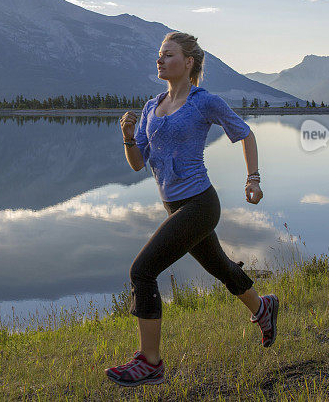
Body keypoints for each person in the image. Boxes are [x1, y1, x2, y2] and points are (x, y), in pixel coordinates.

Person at [105, 32, 278, 387]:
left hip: (200, 204)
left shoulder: (203, 102)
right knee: (222, 268)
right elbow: (138, 164)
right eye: (159, 55)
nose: (160, 60)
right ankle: (263, 308)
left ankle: (149, 362)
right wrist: (127, 136)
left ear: (188, 62)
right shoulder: (152, 107)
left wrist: (253, 179)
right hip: (174, 206)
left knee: (142, 271)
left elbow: (245, 133)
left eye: (168, 55)